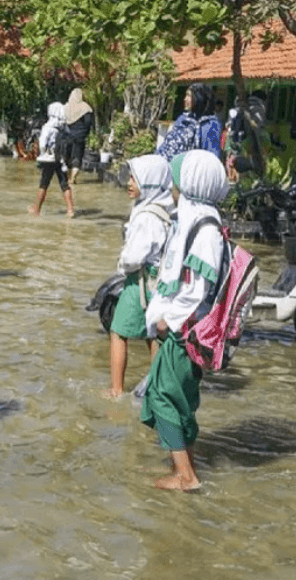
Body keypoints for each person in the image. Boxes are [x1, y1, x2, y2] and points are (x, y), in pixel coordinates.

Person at [143, 149, 228, 491]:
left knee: (163, 393)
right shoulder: (199, 218)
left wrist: (170, 321)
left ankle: (185, 476)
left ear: (191, 184)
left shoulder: (204, 226)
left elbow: (198, 287)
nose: (172, 187)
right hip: (187, 328)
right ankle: (187, 464)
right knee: (181, 397)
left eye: (177, 180)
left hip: (186, 331)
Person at [103, 154, 174, 398]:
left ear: (151, 181)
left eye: (135, 177)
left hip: (140, 281)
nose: (129, 182)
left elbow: (134, 258)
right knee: (153, 334)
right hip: (159, 281)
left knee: (118, 331)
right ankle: (157, 385)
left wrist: (121, 265)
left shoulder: (145, 217)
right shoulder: (164, 209)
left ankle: (116, 390)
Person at [29, 101, 75, 217]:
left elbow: (42, 144)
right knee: (64, 184)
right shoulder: (64, 127)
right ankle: (70, 210)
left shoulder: (48, 126)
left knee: (44, 184)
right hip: (61, 160)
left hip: (49, 159)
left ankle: (36, 209)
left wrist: (42, 154)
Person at [156, 83, 222, 163]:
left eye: (189, 96)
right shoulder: (182, 119)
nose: (185, 99)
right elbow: (169, 143)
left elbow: (213, 155)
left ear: (199, 98)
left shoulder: (211, 124)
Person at [64, 88, 94, 184]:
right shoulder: (85, 107)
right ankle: (73, 179)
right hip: (80, 137)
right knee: (77, 157)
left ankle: (66, 179)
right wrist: (84, 133)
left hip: (67, 136)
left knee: (67, 158)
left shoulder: (66, 107)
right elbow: (89, 122)